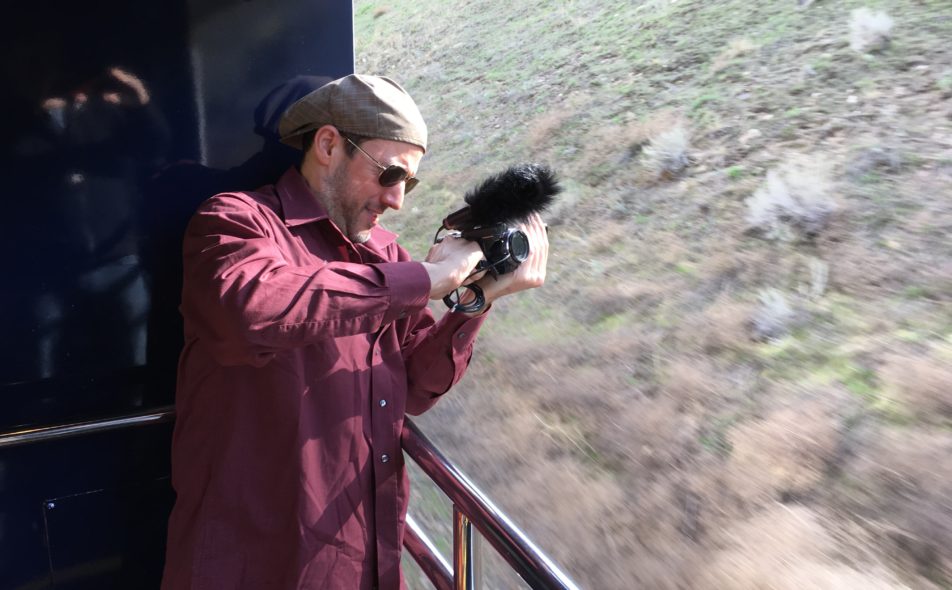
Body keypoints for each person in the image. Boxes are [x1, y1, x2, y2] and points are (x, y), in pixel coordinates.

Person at [161, 74, 548, 590]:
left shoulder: (387, 255)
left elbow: (414, 387)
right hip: (252, 563)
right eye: (389, 173)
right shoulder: (235, 221)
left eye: (406, 183)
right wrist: (428, 278)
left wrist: (474, 303)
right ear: (327, 144)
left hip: (362, 559)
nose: (396, 200)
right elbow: (252, 309)